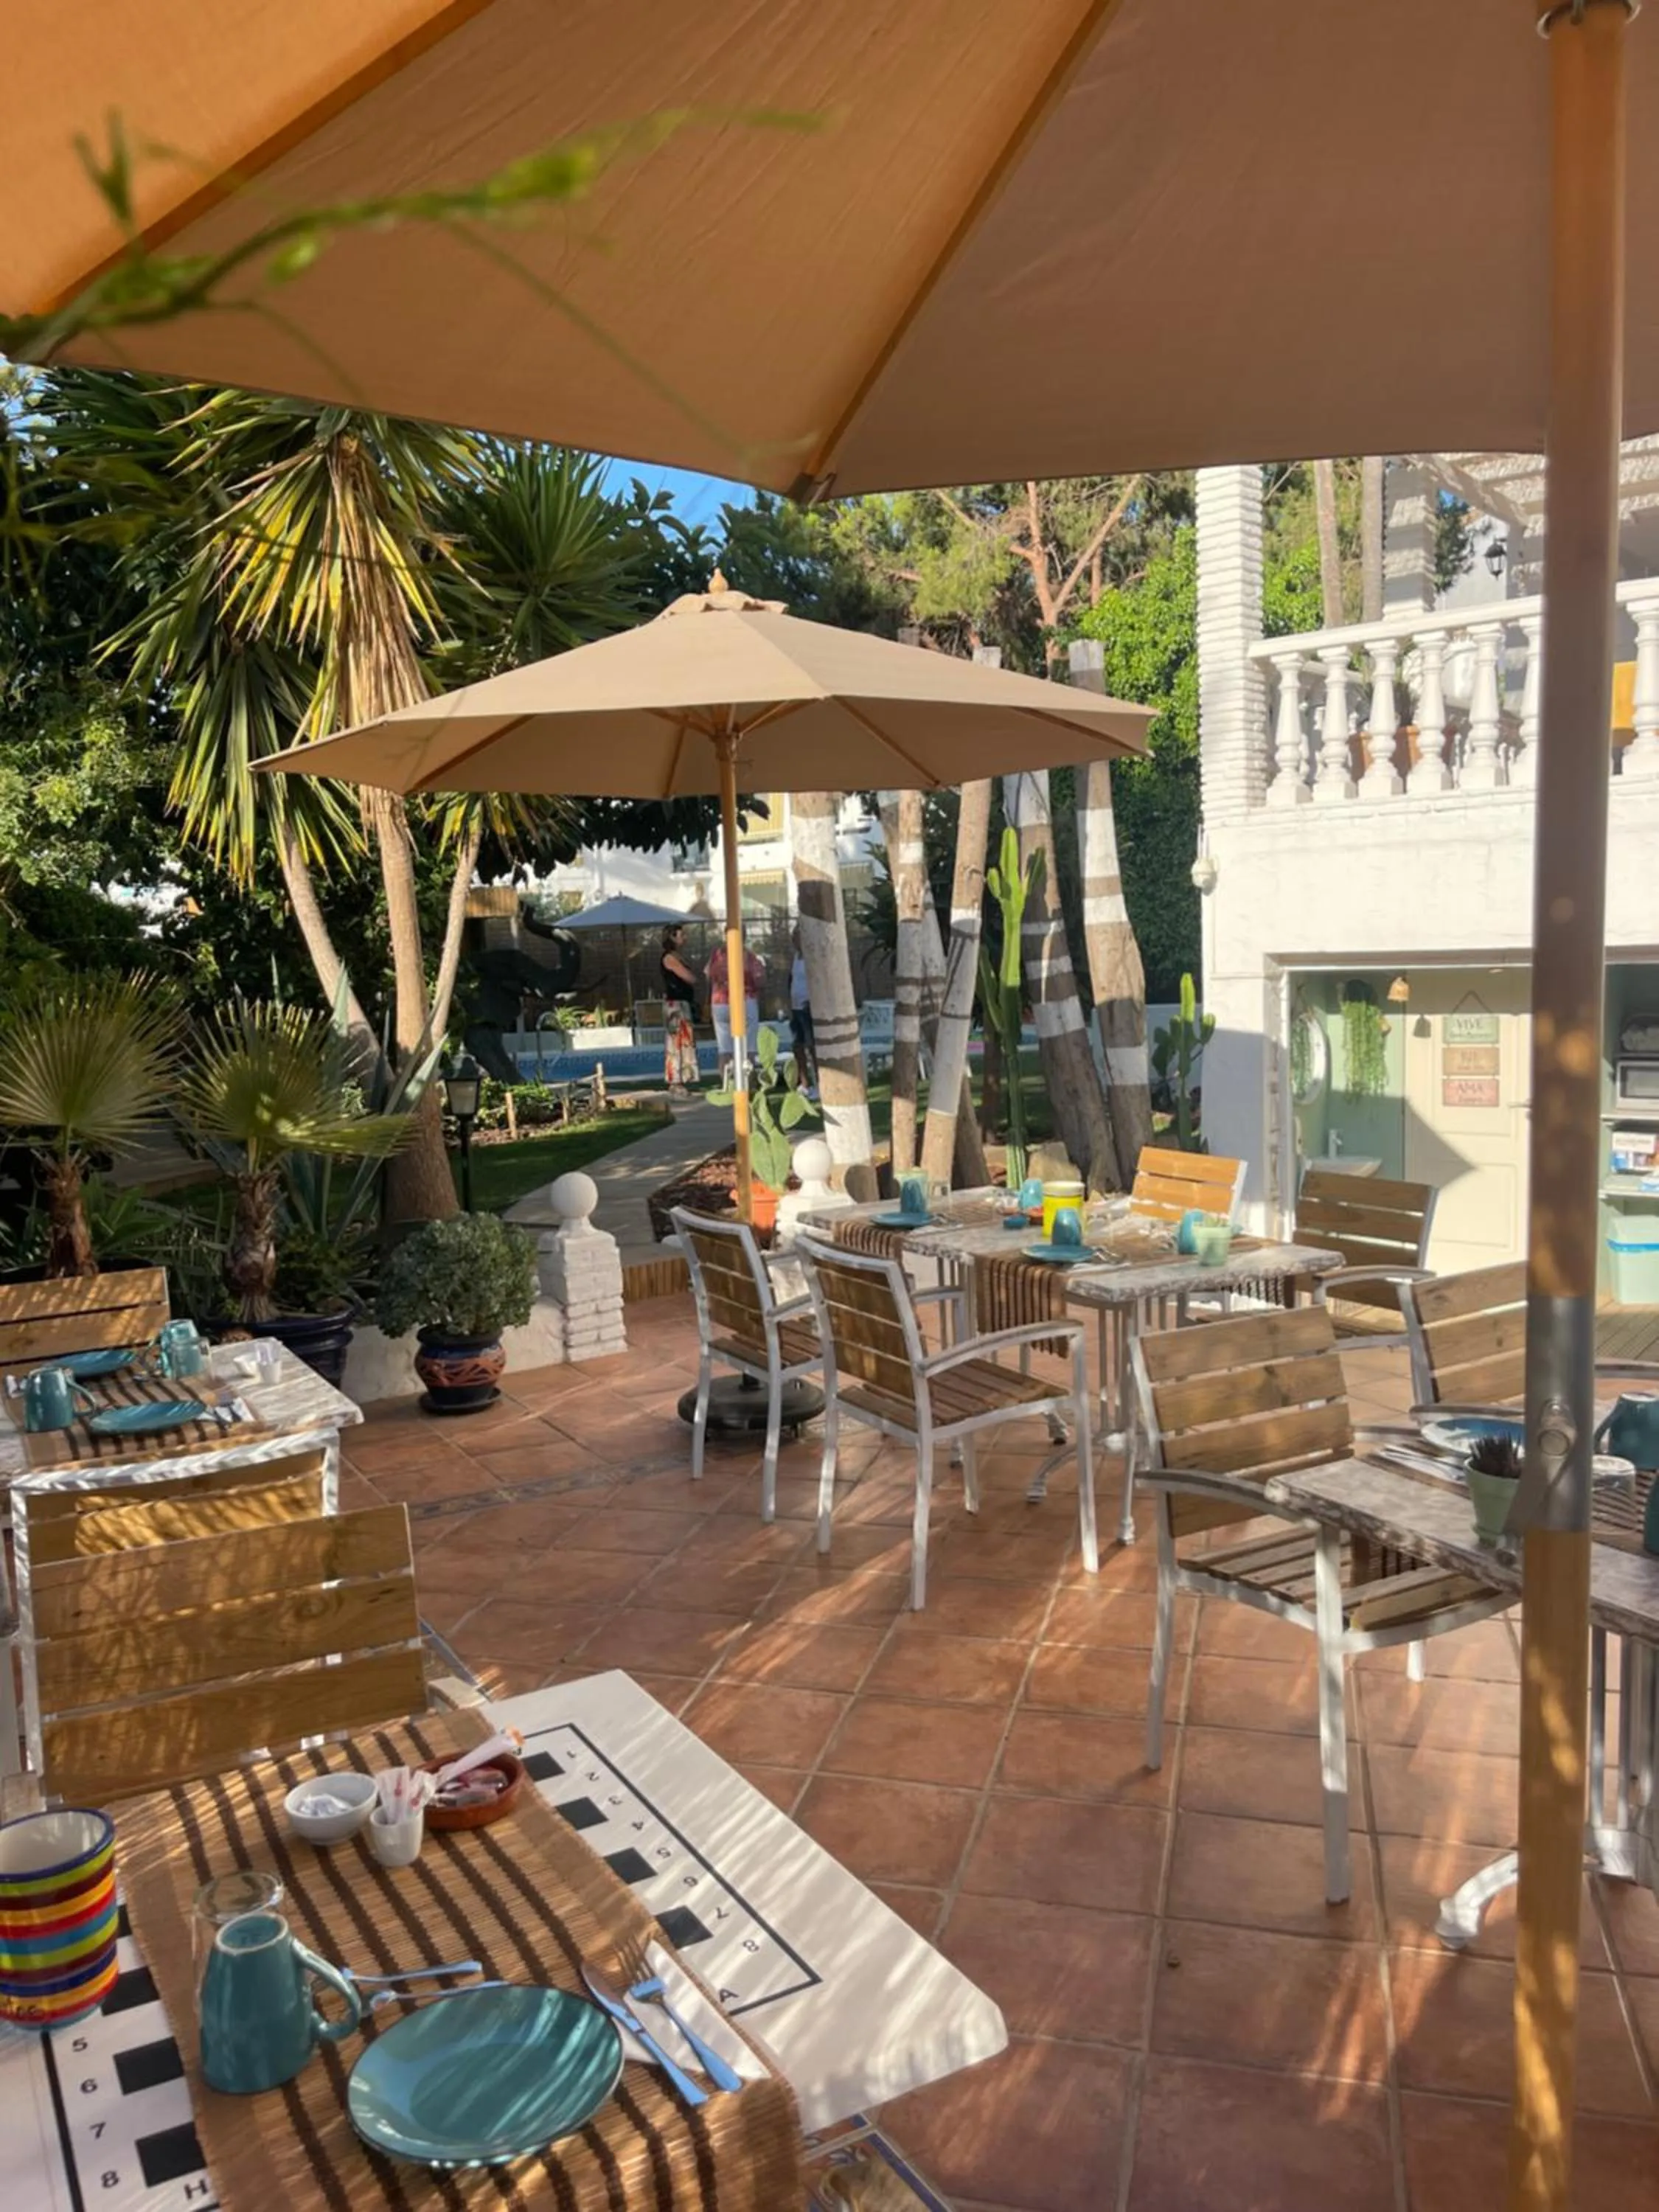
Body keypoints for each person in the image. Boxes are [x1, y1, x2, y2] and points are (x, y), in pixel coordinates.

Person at [706, 936, 764, 1078]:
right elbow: (760, 979)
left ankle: (727, 1083)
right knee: (749, 1047)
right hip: (745, 1000)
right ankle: (748, 1082)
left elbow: (708, 975)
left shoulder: (717, 956)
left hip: (720, 1002)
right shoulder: (748, 956)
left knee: (724, 1049)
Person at [660, 923, 700, 1096]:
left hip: (682, 1003)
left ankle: (683, 1078)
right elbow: (688, 977)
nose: (685, 938)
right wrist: (693, 977)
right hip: (675, 1006)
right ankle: (675, 1081)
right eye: (681, 935)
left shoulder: (677, 956)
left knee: (685, 1042)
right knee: (676, 1043)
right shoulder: (669, 958)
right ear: (672, 937)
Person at [788, 925, 818, 1094]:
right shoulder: (796, 957)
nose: (794, 941)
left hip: (808, 1008)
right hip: (796, 1007)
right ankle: (804, 1084)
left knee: (812, 1047)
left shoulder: (811, 958)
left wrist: (812, 1001)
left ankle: (819, 1083)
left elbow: (817, 981)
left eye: (797, 937)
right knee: (797, 1046)